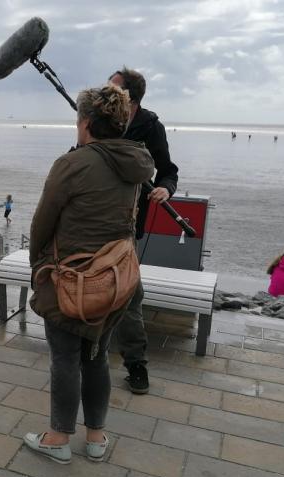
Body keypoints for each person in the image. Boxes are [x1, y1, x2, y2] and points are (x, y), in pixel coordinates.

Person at [24, 85, 154, 464]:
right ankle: (96, 437)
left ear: (85, 123)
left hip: (71, 279)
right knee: (96, 356)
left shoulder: (73, 164)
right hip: (115, 279)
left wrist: (36, 265)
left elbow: (42, 223)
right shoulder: (136, 162)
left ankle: (58, 438)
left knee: (65, 358)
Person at [108, 66, 179, 394]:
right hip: (92, 220)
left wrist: (165, 189)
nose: (106, 92)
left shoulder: (151, 126)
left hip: (128, 224)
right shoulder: (101, 119)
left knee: (130, 295)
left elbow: (168, 171)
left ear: (131, 97)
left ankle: (136, 364)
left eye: (113, 88)